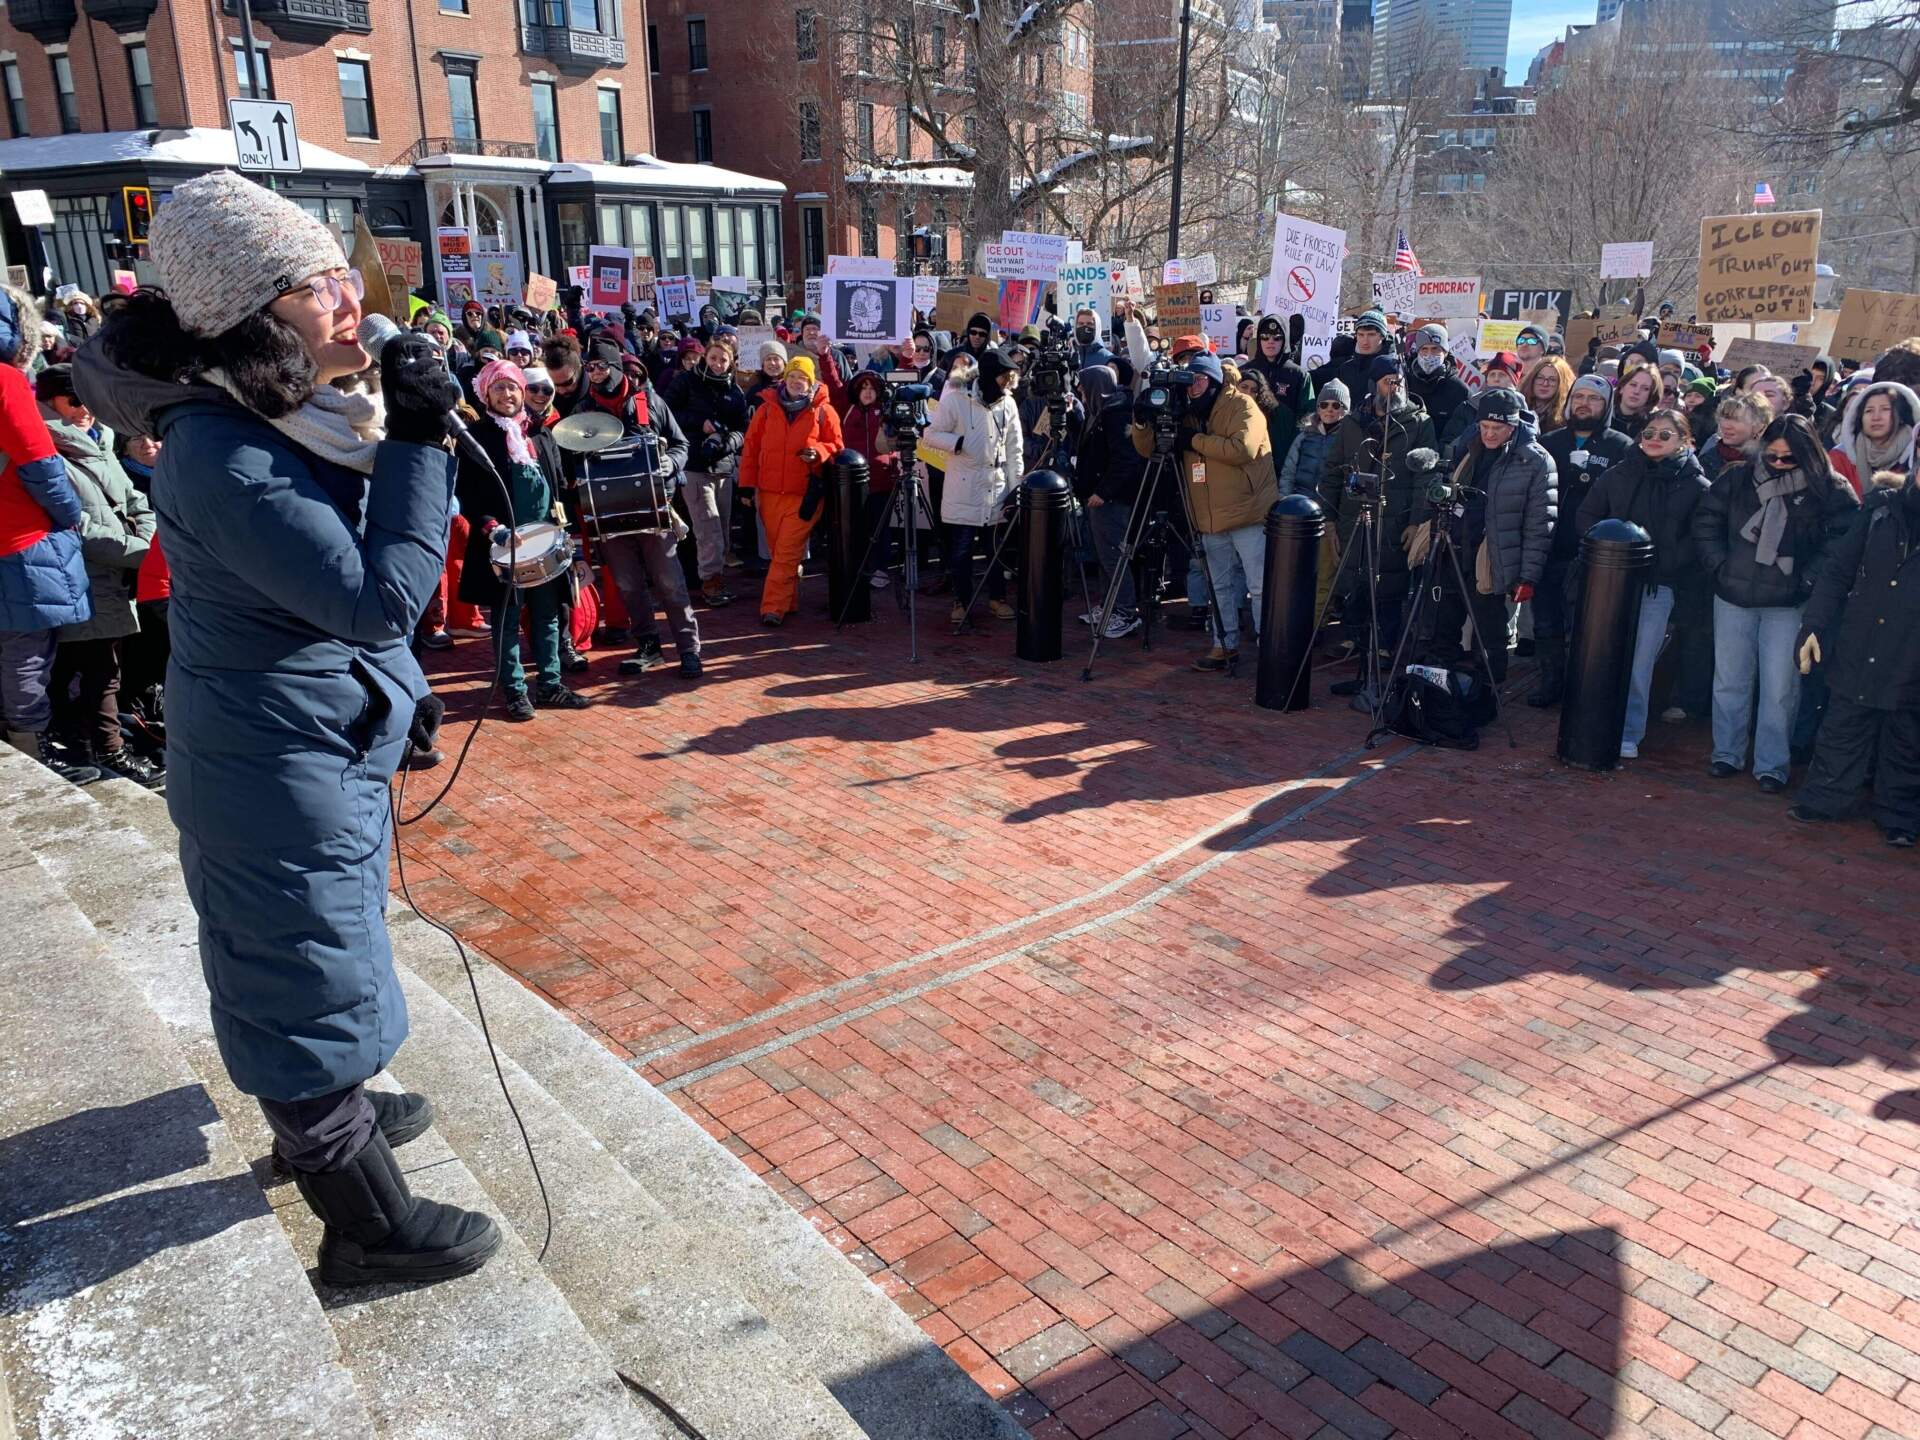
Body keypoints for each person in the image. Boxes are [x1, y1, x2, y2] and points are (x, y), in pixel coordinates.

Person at [75, 169, 499, 1285]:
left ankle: (340, 1102)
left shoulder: (278, 411)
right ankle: (363, 1222)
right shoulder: (229, 452)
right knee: (297, 970)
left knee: (332, 937)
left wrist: (400, 690)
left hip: (310, 734)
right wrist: (420, 436)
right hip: (271, 761)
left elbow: (331, 604)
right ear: (256, 317)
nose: (351, 298)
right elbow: (374, 598)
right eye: (318, 285)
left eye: (337, 273)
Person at [1694, 414, 1858, 792]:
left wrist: (1808, 580)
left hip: (1789, 600)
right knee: (1729, 680)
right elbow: (1706, 521)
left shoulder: (1829, 489)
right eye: (1773, 456)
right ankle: (1726, 753)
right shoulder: (1736, 478)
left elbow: (1842, 543)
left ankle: (1771, 765)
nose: (1780, 463)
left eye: (1789, 458)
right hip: (1733, 592)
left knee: (1780, 687)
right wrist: (1719, 566)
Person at [35, 363, 163, 786]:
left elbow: (135, 502)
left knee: (105, 668)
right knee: (95, 670)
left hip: (118, 573)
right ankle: (107, 750)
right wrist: (147, 553)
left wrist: (146, 545)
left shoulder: (99, 443)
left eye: (89, 398)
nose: (85, 408)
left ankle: (97, 746)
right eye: (74, 399)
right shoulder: (50, 451)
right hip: (83, 578)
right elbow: (82, 529)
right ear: (49, 403)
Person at [1789, 464, 1920, 845]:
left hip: (1912, 649)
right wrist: (1813, 624)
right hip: (1861, 638)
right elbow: (1838, 571)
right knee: (1844, 720)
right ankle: (1825, 798)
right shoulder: (1881, 508)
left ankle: (1899, 815)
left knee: (1907, 733)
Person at [0, 287, 97, 784]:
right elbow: (40, 464)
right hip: (18, 538)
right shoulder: (7, 380)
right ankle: (32, 751)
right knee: (26, 650)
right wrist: (71, 513)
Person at [1575, 406, 1711, 760]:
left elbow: (1699, 537)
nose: (1654, 440)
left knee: (1639, 664)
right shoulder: (1620, 473)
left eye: (1665, 435)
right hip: (1607, 582)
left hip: (1657, 584)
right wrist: (1602, 548)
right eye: (1648, 433)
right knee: (1599, 655)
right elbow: (1588, 514)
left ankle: (1629, 731)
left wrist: (1664, 560)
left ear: (1684, 442)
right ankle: (1590, 721)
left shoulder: (1696, 485)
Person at [455, 358, 588, 719]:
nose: (508, 394)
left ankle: (550, 685)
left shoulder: (539, 433)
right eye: (499, 387)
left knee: (548, 615)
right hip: (505, 544)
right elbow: (467, 493)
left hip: (545, 542)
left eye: (513, 386)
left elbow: (558, 487)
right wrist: (493, 528)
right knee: (507, 618)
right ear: (486, 394)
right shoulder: (476, 438)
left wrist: (567, 538)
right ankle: (514, 690)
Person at [572, 334, 702, 676]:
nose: (594, 373)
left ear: (616, 368)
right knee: (629, 585)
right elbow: (569, 458)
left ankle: (689, 650)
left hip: (653, 511)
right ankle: (649, 648)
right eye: (590, 367)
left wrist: (671, 464)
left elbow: (680, 444)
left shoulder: (649, 402)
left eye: (600, 366)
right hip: (611, 516)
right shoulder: (584, 410)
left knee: (670, 582)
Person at [1138, 352, 1276, 672]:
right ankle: (1224, 644)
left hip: (1248, 514)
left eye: (1200, 379)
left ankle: (1272, 647)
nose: (1194, 386)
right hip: (1210, 516)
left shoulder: (1242, 405)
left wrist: (1195, 440)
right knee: (1220, 587)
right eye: (1190, 380)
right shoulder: (1186, 411)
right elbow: (1149, 448)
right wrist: (1143, 420)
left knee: (1259, 586)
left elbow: (1241, 448)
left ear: (1214, 381)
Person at [1419, 386, 1556, 685]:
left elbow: (1540, 523)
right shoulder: (1465, 444)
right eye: (1484, 426)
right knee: (1442, 627)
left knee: (1488, 636)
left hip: (1493, 558)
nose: (1490, 434)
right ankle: (1437, 694)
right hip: (1451, 548)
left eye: (1498, 427)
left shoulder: (1535, 460)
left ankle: (1487, 694)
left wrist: (1527, 577)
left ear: (1514, 425)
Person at [1322, 355, 1436, 688]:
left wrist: (1417, 521)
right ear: (1374, 385)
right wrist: (1329, 519)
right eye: (1388, 381)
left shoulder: (1419, 423)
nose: (1395, 386)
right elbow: (1331, 472)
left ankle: (1384, 650)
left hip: (1395, 518)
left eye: (1399, 380)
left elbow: (1424, 477)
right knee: (1355, 585)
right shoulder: (1352, 423)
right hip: (1353, 518)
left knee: (1388, 588)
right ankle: (1357, 649)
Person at [1533, 374, 1634, 707]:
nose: (1584, 404)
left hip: (1591, 552)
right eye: (1579, 397)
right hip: (1549, 545)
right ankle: (1550, 681)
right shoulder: (1549, 442)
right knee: (1546, 620)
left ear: (1605, 406)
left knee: (1584, 625)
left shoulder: (1620, 446)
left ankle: (1580, 689)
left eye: (1593, 398)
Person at [738, 353, 842, 625]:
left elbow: (837, 446)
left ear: (812, 382)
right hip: (769, 493)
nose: (797, 382)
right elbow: (751, 449)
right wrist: (747, 487)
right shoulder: (766, 408)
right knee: (780, 554)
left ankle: (772, 608)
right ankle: (789, 601)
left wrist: (818, 452)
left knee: (785, 554)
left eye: (803, 378)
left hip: (804, 495)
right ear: (785, 378)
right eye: (793, 376)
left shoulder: (824, 410)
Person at [927, 347, 1022, 628]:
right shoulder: (956, 400)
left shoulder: (1008, 404)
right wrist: (957, 443)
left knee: (996, 549)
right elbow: (931, 435)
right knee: (962, 551)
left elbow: (1015, 449)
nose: (1007, 384)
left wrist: (1015, 489)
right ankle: (962, 600)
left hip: (996, 488)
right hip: (963, 488)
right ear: (991, 376)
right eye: (1004, 378)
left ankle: (996, 597)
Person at [665, 333, 750, 607]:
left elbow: (742, 428)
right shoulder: (687, 382)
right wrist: (699, 423)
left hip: (722, 465)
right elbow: (666, 413)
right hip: (694, 464)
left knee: (722, 528)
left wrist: (728, 441)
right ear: (704, 357)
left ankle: (716, 577)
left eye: (723, 359)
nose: (717, 364)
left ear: (731, 362)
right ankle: (710, 581)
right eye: (713, 358)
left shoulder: (734, 391)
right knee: (708, 524)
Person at [1075, 363, 1153, 638]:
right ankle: (1110, 606)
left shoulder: (1117, 414)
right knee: (1103, 555)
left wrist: (1103, 492)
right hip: (1099, 498)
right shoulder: (1100, 413)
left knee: (1114, 556)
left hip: (1112, 500)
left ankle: (1125, 612)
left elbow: (1125, 460)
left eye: (1084, 388)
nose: (1080, 393)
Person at [838, 370, 902, 588]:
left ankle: (881, 568)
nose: (867, 392)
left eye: (872, 388)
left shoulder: (886, 411)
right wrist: (825, 354)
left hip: (882, 480)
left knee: (880, 528)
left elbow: (904, 375)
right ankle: (860, 567)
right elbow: (832, 380)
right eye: (863, 388)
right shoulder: (848, 410)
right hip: (854, 482)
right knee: (858, 527)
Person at [1829, 381, 1917, 496]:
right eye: (1869, 410)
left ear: (1900, 416)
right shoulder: (1839, 457)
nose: (1876, 417)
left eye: (1885, 409)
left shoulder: (1915, 456)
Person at [1242, 315, 1312, 454]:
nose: (1270, 342)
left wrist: (1295, 449)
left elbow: (1307, 416)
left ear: (1284, 339)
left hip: (1283, 454)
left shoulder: (1299, 375)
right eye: (1265, 337)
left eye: (1277, 337)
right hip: (1248, 451)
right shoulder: (1244, 372)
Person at [1405, 324, 1470, 440]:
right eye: (1424, 349)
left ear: (1445, 353)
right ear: (1417, 351)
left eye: (1435, 349)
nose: (1429, 355)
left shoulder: (1459, 389)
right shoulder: (1405, 383)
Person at [1705, 390, 1772, 481]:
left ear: (1759, 426)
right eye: (1724, 418)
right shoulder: (1708, 458)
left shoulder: (1771, 463)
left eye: (1736, 420)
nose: (1725, 425)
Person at [1521, 355, 1575, 432]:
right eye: (1540, 378)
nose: (1545, 384)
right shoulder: (1518, 407)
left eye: (1552, 380)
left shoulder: (1566, 417)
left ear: (1562, 384)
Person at [1611, 363, 1663, 441]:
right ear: (1622, 388)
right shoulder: (1602, 414)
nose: (1637, 391)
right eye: (1633, 385)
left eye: (1645, 388)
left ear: (1651, 395)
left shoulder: (1655, 424)